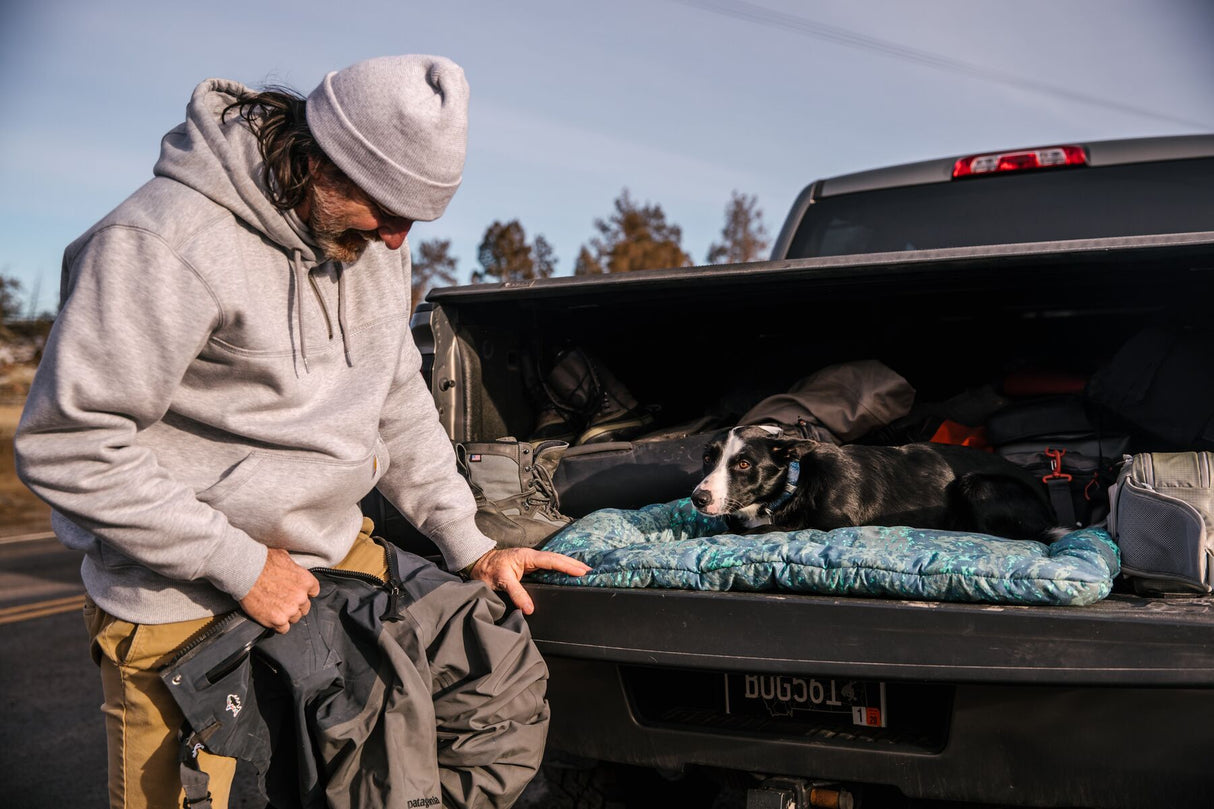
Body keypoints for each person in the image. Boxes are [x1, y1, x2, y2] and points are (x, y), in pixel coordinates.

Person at [14, 54, 590, 808]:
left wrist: (470, 543)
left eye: (414, 219)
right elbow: (68, 443)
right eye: (387, 209)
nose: (395, 239)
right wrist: (242, 564)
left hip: (331, 566)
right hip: (181, 599)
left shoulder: (374, 245)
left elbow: (396, 399)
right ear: (323, 161)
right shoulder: (161, 243)